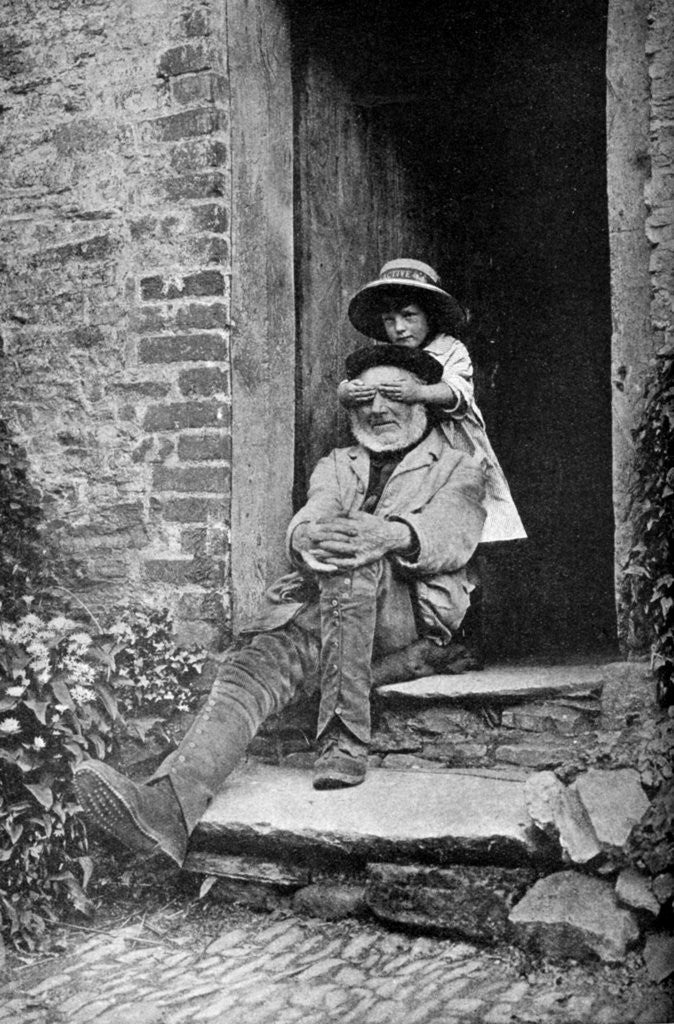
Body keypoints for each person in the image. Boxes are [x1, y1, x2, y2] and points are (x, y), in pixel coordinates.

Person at [74, 345, 486, 867]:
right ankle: (167, 808)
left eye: (392, 395)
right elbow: (312, 514)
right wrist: (309, 537)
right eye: (365, 398)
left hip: (406, 613)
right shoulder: (339, 464)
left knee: (354, 558)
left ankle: (343, 741)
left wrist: (386, 535)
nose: (378, 408)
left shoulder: (458, 466)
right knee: (253, 665)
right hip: (327, 610)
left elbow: (453, 535)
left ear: (422, 404)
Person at [340, 258, 526, 544]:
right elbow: (361, 379)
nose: (399, 328)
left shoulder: (450, 350)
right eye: (390, 320)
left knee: (466, 517)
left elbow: (457, 392)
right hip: (409, 446)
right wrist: (347, 392)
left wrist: (420, 393)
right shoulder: (386, 354)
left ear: (429, 316)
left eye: (409, 316)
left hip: (451, 442)